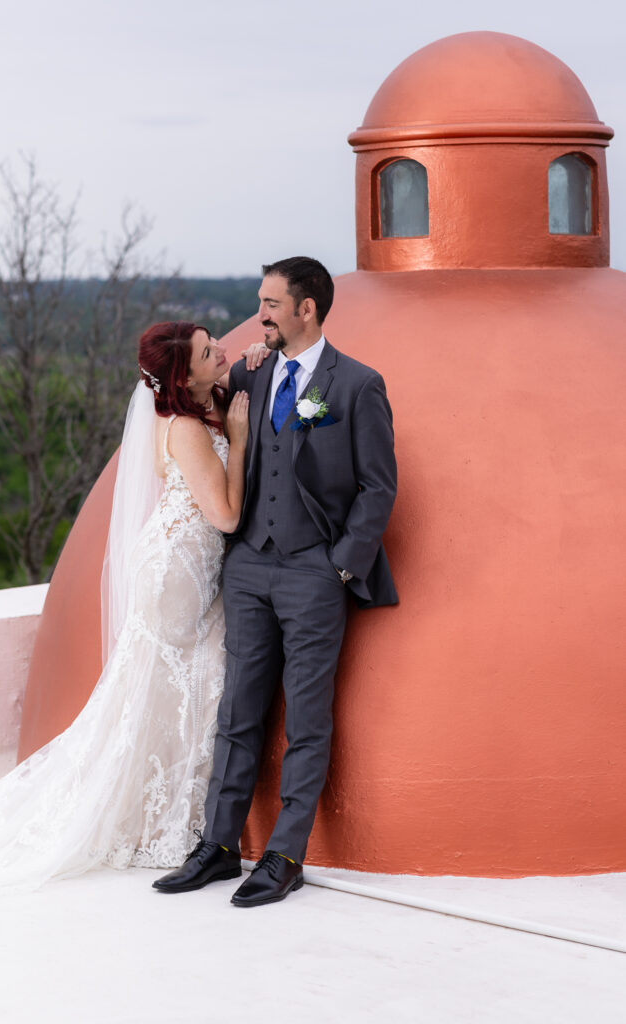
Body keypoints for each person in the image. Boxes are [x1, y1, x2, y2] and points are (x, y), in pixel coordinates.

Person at [0, 320, 252, 909]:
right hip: (178, 573)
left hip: (181, 563)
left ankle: (168, 811)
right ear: (184, 377)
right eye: (211, 351)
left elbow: (232, 380)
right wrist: (236, 441)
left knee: (166, 686)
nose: (225, 353)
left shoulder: (196, 402)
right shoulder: (187, 427)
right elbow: (228, 516)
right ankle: (156, 817)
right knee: (181, 684)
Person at [153, 257, 398, 907]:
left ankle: (286, 853)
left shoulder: (356, 386)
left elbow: (378, 487)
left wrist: (339, 564)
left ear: (307, 309)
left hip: (314, 571)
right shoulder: (247, 376)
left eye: (269, 304)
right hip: (248, 565)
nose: (258, 315)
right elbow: (182, 405)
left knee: (308, 717)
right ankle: (220, 846)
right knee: (237, 711)